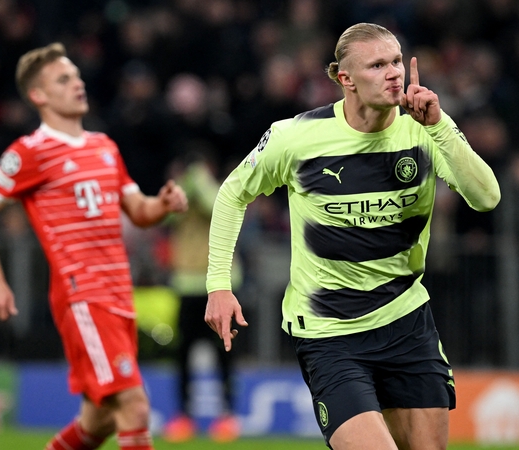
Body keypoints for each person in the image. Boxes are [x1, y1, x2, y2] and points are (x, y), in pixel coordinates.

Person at [204, 22, 501, 450]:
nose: (393, 73)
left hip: (406, 323)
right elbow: (233, 194)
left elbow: (487, 197)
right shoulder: (296, 137)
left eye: (396, 60)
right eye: (378, 65)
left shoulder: (423, 129)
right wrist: (218, 284)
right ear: (346, 79)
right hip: (329, 333)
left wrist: (438, 125)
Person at [0, 43, 188, 450]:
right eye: (63, 79)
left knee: (97, 421)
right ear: (39, 96)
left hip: (119, 294)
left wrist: (164, 204)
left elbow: (137, 209)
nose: (78, 83)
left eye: (77, 76)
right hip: (83, 296)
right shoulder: (30, 152)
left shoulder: (105, 146)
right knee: (134, 407)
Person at [162, 149, 240, 442]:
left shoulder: (218, 190)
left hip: (222, 286)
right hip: (185, 285)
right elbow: (165, 218)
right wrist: (185, 185)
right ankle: (183, 416)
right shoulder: (183, 196)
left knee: (225, 353)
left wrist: (201, 180)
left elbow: (218, 205)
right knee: (183, 355)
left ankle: (228, 416)